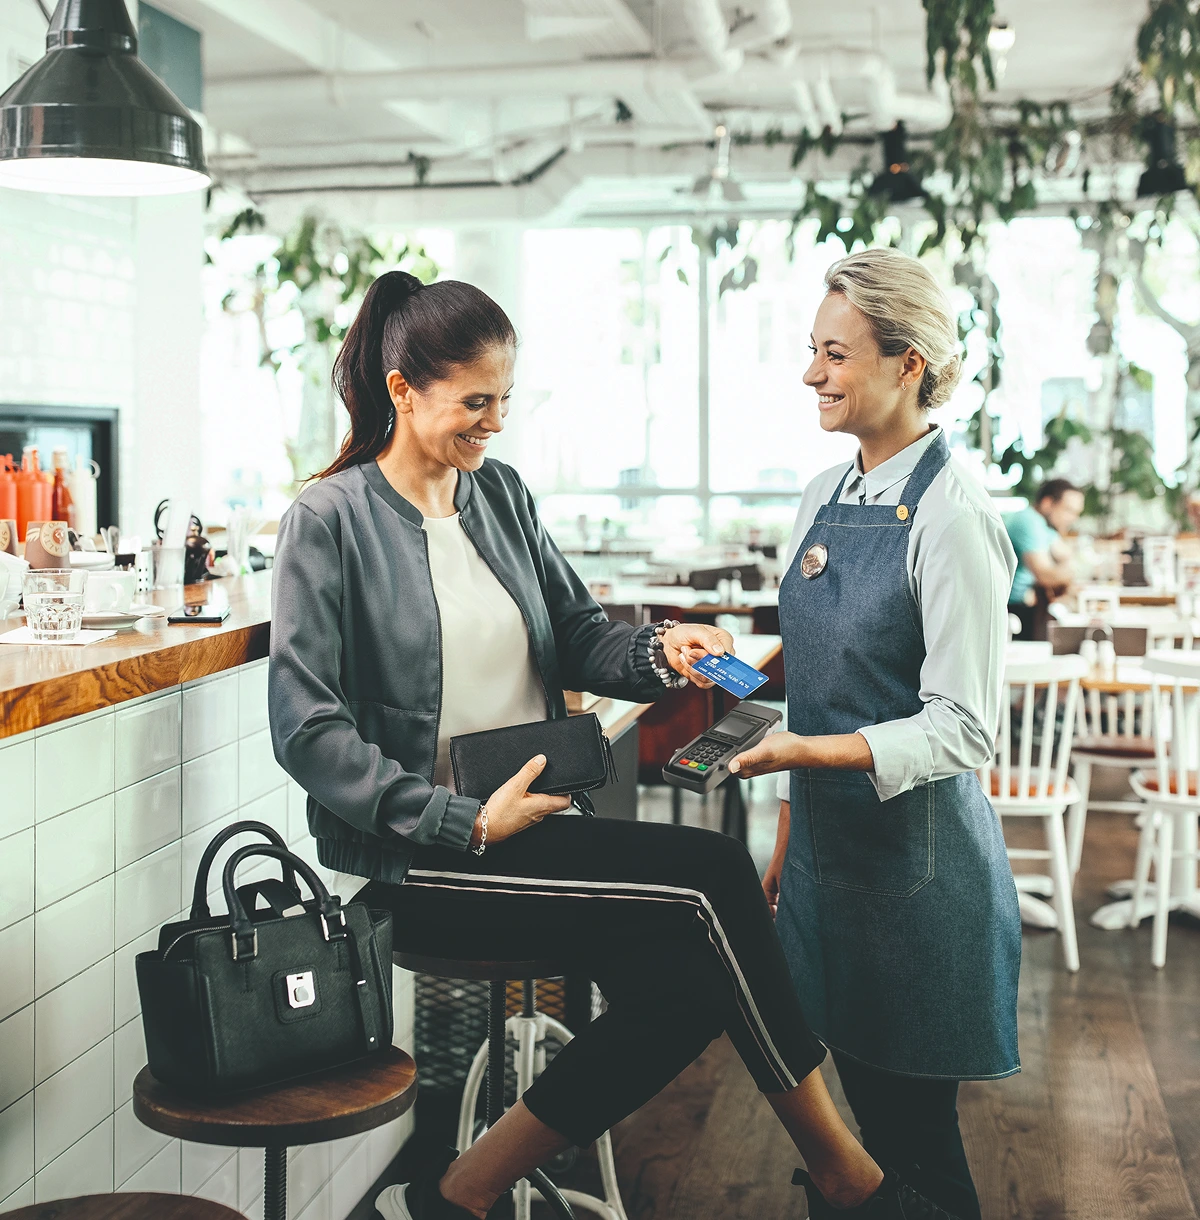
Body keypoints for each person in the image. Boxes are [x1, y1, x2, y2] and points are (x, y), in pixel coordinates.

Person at [269, 270, 960, 1220]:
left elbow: (577, 632)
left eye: (504, 401)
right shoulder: (329, 520)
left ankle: (459, 1189)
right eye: (476, 403)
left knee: (692, 984)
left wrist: (662, 648)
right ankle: (848, 1174)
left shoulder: (497, 496)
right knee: (717, 870)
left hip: (540, 833)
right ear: (402, 392)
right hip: (423, 862)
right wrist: (461, 820)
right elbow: (306, 729)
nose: (495, 424)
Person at [729, 248, 1021, 1220]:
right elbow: (815, 686)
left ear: (908, 364)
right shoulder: (822, 494)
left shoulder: (954, 514)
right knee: (844, 1144)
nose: (813, 373)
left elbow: (966, 728)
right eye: (813, 350)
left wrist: (806, 757)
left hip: (914, 876)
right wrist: (782, 837)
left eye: (837, 353)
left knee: (915, 1148)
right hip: (820, 861)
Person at [1004, 478, 1085, 639]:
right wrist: (1072, 572)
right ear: (1047, 503)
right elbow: (1046, 575)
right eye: (1069, 510)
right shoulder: (1028, 521)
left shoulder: (1044, 526)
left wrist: (1069, 571)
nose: (1073, 519)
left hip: (1023, 606)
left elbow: (1067, 556)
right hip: (1011, 611)